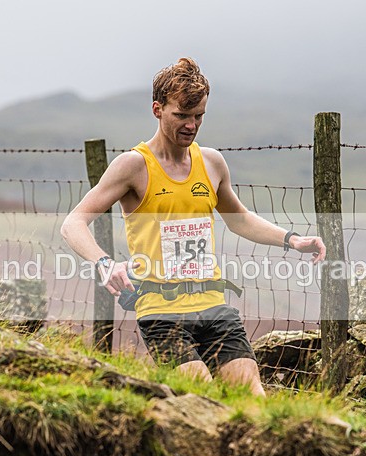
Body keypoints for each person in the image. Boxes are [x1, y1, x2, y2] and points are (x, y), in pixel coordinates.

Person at [60, 57, 325, 396]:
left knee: (253, 401)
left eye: (199, 115)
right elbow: (74, 222)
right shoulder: (134, 165)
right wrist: (103, 263)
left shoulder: (211, 163)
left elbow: (239, 219)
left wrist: (292, 240)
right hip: (161, 311)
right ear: (158, 109)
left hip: (214, 306)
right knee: (201, 398)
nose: (191, 125)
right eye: (181, 115)